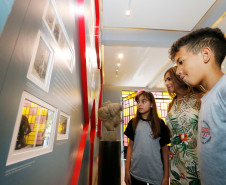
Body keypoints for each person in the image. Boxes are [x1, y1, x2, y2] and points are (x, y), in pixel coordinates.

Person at [169, 27, 226, 185]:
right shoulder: (207, 98)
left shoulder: (223, 88)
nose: (178, 71)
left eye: (181, 62)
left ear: (205, 54)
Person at [164, 66, 203, 185]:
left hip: (196, 158)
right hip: (176, 159)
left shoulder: (199, 98)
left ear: (178, 77)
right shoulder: (171, 105)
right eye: (165, 80)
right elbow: (171, 132)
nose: (167, 83)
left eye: (169, 79)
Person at [124, 90, 170, 185]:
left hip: (156, 175)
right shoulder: (133, 123)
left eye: (143, 101)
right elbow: (130, 147)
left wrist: (166, 176)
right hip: (135, 174)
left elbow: (165, 150)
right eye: (138, 102)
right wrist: (126, 171)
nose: (139, 104)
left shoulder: (160, 124)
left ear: (152, 104)